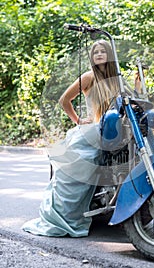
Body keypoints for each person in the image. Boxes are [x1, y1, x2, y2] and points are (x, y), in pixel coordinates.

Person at [22, 39, 119, 237]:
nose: (99, 54)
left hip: (113, 130)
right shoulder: (89, 76)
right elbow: (64, 100)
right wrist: (78, 120)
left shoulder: (117, 79)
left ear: (110, 54)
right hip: (93, 129)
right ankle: (66, 214)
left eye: (103, 51)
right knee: (79, 165)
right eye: (95, 52)